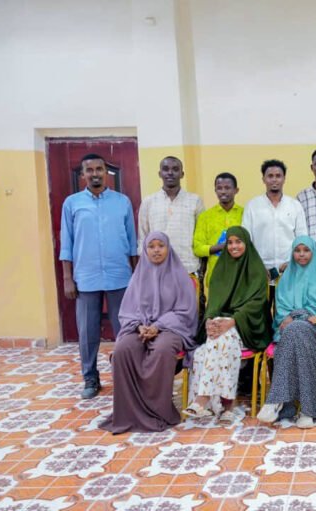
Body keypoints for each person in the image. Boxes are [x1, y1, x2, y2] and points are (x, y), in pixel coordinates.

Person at [100, 232, 198, 433]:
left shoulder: (180, 276)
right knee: (123, 350)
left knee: (162, 349)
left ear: (168, 248)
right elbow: (128, 310)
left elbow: (186, 311)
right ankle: (129, 412)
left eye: (160, 245)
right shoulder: (138, 276)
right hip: (140, 327)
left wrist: (158, 326)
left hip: (171, 328)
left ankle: (158, 412)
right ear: (145, 250)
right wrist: (138, 326)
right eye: (151, 246)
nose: (156, 250)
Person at [60, 153, 138, 399]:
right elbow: (66, 243)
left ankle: (127, 376)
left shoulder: (122, 202)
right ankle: (90, 378)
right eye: (89, 170)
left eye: (99, 169)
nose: (95, 174)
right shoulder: (72, 203)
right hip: (86, 277)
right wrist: (67, 278)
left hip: (119, 274)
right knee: (87, 331)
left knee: (124, 329)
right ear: (83, 174)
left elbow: (132, 242)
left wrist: (136, 276)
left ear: (106, 172)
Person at [185, 226, 271, 426]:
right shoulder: (220, 268)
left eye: (238, 242)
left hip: (247, 326)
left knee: (223, 341)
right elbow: (213, 302)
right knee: (202, 352)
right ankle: (224, 407)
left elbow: (257, 304)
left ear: (246, 243)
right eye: (230, 242)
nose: (233, 246)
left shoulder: (256, 268)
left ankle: (205, 399)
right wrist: (209, 321)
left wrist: (233, 321)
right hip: (221, 325)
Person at [257, 236, 316, 429]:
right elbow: (282, 316)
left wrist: (302, 315)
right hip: (294, 332)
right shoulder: (285, 280)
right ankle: (309, 410)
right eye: (297, 250)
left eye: (306, 250)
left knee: (296, 329)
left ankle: (276, 401)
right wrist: (303, 316)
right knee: (295, 331)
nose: (301, 254)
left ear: (313, 252)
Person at [243, 159, 308, 288]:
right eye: (270, 176)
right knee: (260, 308)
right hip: (260, 272)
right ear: (263, 179)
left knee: (286, 308)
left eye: (278, 176)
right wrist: (257, 265)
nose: (274, 180)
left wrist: (292, 263)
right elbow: (246, 240)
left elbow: (302, 239)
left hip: (289, 272)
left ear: (284, 179)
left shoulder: (295, 205)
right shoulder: (252, 206)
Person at [138, 156, 204, 276]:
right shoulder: (149, 201)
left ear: (182, 174)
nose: (170, 173)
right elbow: (143, 237)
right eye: (165, 169)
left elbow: (201, 237)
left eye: (175, 169)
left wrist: (202, 271)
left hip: (188, 268)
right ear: (160, 173)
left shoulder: (195, 200)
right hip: (157, 269)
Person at [192, 172, 243, 290]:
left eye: (227, 188)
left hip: (241, 276)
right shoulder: (205, 217)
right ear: (215, 190)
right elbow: (198, 248)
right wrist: (221, 247)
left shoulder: (244, 214)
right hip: (216, 277)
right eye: (219, 188)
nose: (223, 192)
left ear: (236, 190)